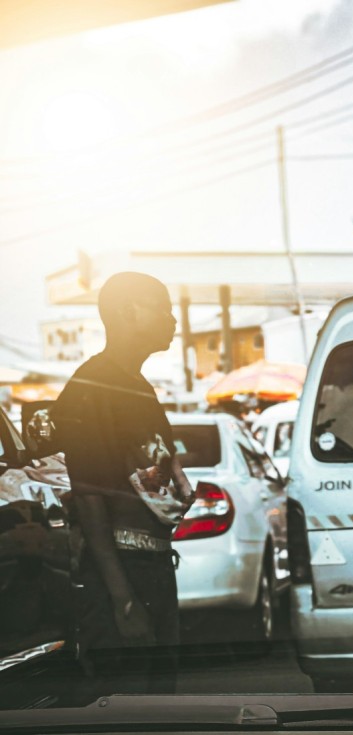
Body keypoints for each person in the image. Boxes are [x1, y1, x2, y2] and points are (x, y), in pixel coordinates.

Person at [52, 272, 195, 694]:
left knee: (161, 705)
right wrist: (123, 600)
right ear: (127, 312)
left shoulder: (136, 385)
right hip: (121, 573)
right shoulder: (92, 388)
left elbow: (143, 471)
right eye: (162, 308)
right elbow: (90, 496)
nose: (172, 320)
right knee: (128, 707)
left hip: (151, 569)